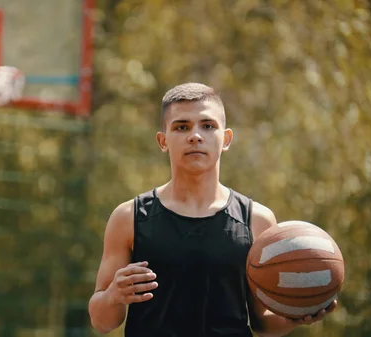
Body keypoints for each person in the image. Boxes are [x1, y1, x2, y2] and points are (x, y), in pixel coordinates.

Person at [87, 83, 337, 337]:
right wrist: (113, 295)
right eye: (181, 126)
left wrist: (298, 315)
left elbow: (261, 322)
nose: (195, 135)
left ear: (226, 139)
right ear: (163, 141)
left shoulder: (257, 221)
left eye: (207, 126)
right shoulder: (129, 218)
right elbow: (102, 322)